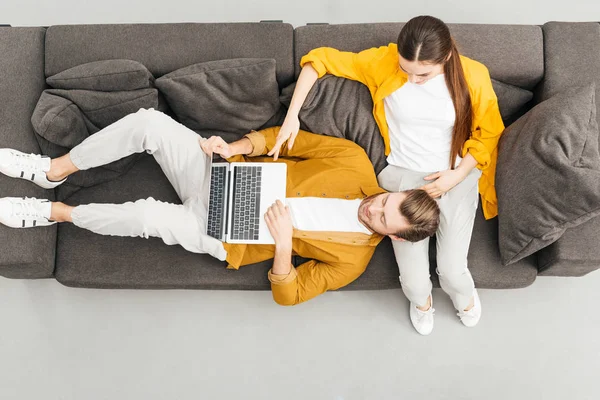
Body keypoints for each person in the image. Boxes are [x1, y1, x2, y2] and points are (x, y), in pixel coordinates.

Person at [0, 107, 440, 306]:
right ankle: (53, 170)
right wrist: (233, 148)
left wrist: (284, 246)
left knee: (148, 217)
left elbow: (289, 296)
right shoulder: (354, 162)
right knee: (148, 122)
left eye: (383, 218)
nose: (373, 209)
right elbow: (284, 140)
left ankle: (52, 213)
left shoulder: (352, 262)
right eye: (385, 200)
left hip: (223, 233)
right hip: (224, 173)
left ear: (396, 237)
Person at [273, 15, 505, 333]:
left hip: (454, 176)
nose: (412, 79)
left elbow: (490, 132)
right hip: (401, 178)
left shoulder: (472, 75)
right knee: (413, 281)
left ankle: (465, 299)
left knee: (452, 271)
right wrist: (292, 117)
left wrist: (458, 173)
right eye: (405, 69)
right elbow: (319, 60)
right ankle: (423, 304)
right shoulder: (382, 62)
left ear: (446, 57)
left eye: (422, 73)